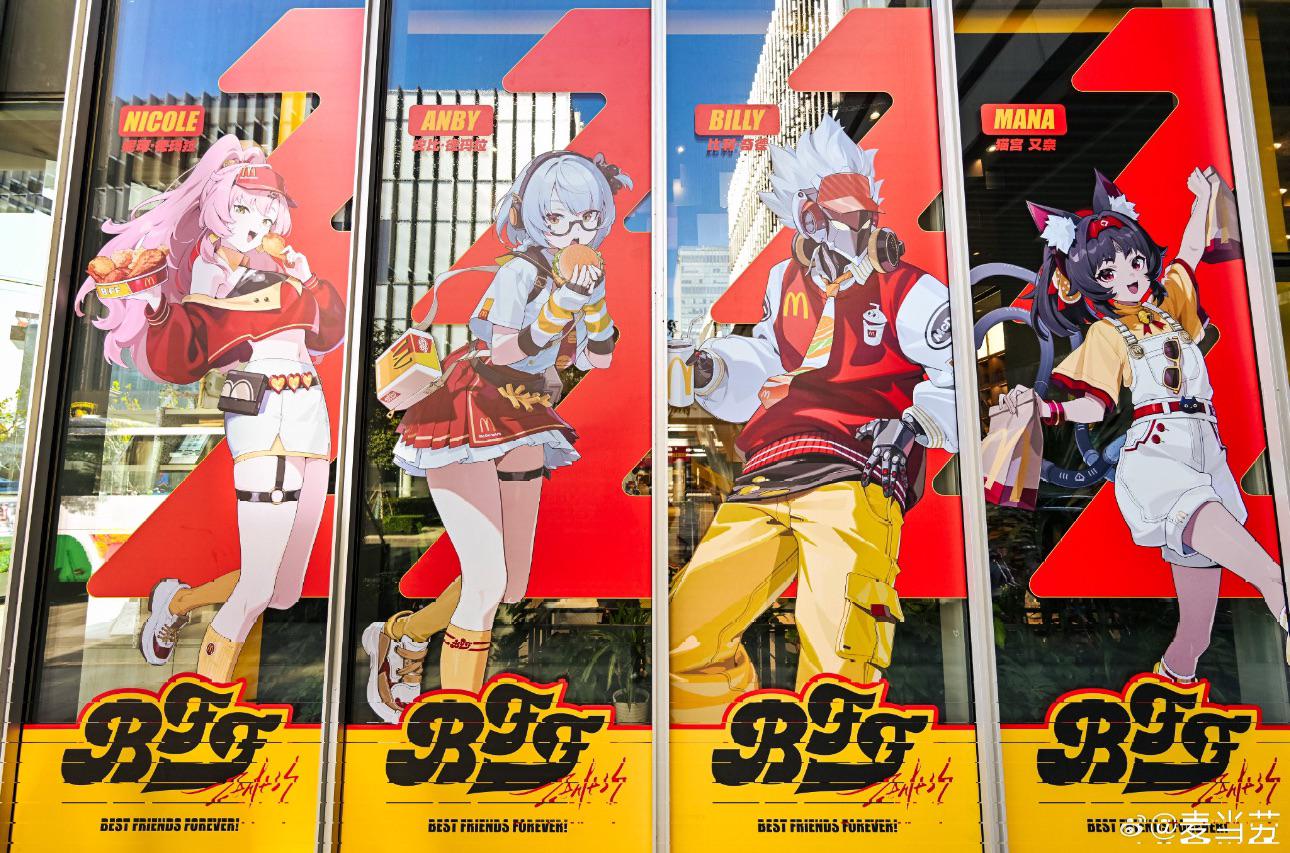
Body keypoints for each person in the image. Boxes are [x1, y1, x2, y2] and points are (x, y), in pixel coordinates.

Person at [669, 116, 958, 725]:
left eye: (864, 215)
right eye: (842, 215)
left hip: (856, 474)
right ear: (807, 219)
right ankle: (721, 746)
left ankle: (836, 762)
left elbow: (956, 373)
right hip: (772, 470)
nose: (862, 229)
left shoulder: (908, 288)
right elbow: (770, 364)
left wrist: (912, 424)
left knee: (839, 655)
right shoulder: (785, 282)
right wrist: (709, 369)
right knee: (684, 634)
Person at [362, 150, 630, 722]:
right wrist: (562, 303)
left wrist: (593, 302)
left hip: (525, 416)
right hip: (469, 406)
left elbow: (599, 358)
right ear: (533, 217)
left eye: (587, 219)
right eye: (558, 219)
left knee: (509, 580)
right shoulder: (519, 273)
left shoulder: (584, 273)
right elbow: (504, 349)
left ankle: (405, 635)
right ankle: (457, 718)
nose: (574, 232)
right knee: (486, 582)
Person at [1001, 168, 1290, 683]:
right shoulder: (1109, 334)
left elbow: (1189, 253)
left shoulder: (1169, 308)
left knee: (1195, 637)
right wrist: (1051, 412)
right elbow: (1096, 405)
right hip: (1159, 457)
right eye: (1109, 271)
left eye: (1134, 260)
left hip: (1207, 448)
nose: (1130, 274)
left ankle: (1171, 687)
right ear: (1092, 282)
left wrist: (1202, 199)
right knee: (1270, 575)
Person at [76, 135, 345, 681]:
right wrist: (156, 305)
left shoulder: (282, 272)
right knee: (260, 584)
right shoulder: (207, 280)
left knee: (284, 588)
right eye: (243, 210)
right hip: (262, 414)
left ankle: (176, 603)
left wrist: (306, 275)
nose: (255, 225)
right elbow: (184, 355)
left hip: (310, 413)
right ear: (219, 211)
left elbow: (329, 332)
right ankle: (205, 692)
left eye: (265, 213)